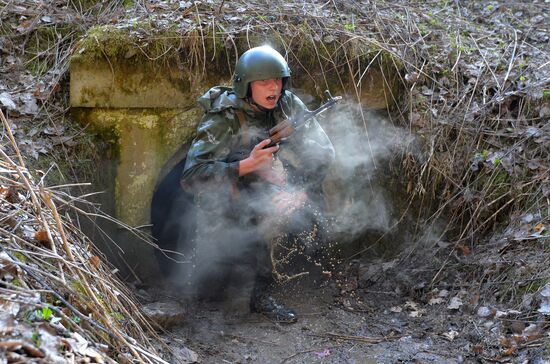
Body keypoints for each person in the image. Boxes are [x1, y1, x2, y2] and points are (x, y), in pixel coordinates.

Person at [180, 45, 335, 323]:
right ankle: (220, 276)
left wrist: (298, 190)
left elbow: (324, 153)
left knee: (310, 202)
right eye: (264, 81)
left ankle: (277, 284)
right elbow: (192, 176)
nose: (273, 87)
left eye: (278, 80)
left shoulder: (287, 105)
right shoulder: (224, 116)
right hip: (225, 192)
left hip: (267, 185)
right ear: (246, 85)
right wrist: (247, 166)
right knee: (212, 284)